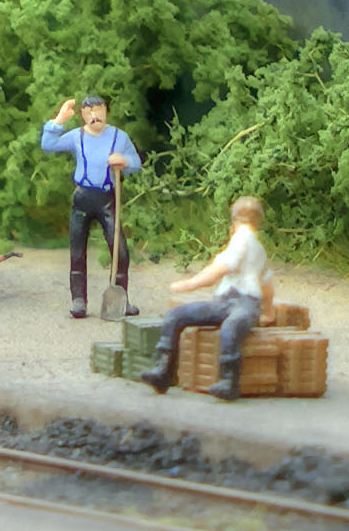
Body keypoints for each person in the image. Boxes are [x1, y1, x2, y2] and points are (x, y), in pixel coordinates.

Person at [141, 196, 275, 401]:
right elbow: (267, 286)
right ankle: (163, 371)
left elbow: (217, 271)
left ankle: (229, 381)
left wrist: (188, 284)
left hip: (246, 304)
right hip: (225, 302)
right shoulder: (251, 245)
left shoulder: (243, 241)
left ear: (234, 222)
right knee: (176, 315)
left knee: (230, 328)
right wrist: (268, 311)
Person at [40, 95, 142, 318]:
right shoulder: (77, 136)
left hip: (107, 198)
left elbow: (136, 164)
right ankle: (78, 300)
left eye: (99, 110)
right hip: (83, 198)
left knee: (120, 252)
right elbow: (48, 144)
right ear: (83, 115)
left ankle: (120, 299)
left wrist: (124, 161)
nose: (95, 116)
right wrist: (59, 120)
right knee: (77, 251)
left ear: (106, 111)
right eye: (89, 112)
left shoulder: (118, 137)